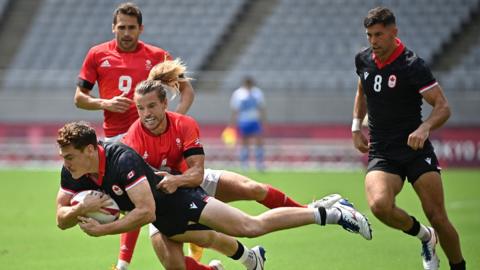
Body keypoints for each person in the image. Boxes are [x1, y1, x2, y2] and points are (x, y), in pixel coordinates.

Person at [55, 120, 372, 270]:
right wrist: (75, 211)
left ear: (88, 150)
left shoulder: (121, 160)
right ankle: (251, 259)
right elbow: (60, 217)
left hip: (180, 202)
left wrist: (104, 229)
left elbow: (146, 212)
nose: (65, 163)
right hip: (165, 222)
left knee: (250, 226)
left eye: (69, 156)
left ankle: (331, 212)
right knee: (178, 268)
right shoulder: (75, 171)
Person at [122, 62, 344, 269]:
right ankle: (246, 259)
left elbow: (197, 173)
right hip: (164, 199)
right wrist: (123, 260)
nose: (146, 114)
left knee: (253, 190)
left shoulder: (182, 123)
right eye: (140, 108)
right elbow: (135, 200)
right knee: (175, 264)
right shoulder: (133, 137)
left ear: (164, 103)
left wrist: (177, 180)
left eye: (151, 106)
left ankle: (309, 211)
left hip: (188, 179)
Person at [73, 3, 194, 268]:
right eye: (121, 28)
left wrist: (175, 120)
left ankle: (122, 265)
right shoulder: (97, 55)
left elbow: (187, 91)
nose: (126, 33)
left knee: (156, 210)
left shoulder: (158, 55)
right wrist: (104, 103)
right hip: (116, 142)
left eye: (131, 28)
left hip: (150, 141)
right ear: (113, 28)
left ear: (141, 29)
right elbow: (79, 98)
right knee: (141, 208)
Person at [352, 7, 466, 270]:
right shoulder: (363, 60)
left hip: (415, 150)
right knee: (380, 206)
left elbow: (443, 106)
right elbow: (362, 90)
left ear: (394, 32)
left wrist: (425, 127)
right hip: (382, 151)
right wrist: (356, 127)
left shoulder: (412, 65)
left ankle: (459, 266)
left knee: (438, 216)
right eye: (369, 35)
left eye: (378, 35)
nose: (373, 41)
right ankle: (425, 237)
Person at [229, 77, 266, 171]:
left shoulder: (257, 92)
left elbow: (261, 108)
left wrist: (263, 121)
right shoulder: (238, 93)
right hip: (244, 120)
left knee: (259, 141)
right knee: (245, 142)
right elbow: (235, 109)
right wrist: (233, 123)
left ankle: (259, 163)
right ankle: (244, 163)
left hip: (255, 120)